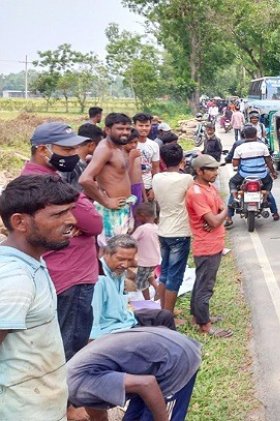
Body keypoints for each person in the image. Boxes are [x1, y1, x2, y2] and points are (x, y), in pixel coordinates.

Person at [20, 122, 103, 362]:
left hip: (60, 273)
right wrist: (79, 219)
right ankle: (67, 398)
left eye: (73, 150)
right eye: (65, 150)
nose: (72, 155)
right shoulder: (50, 185)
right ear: (42, 150)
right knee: (68, 348)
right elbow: (94, 224)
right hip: (70, 276)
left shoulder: (34, 179)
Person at [0, 175, 79, 420]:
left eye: (70, 211)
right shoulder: (16, 278)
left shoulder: (32, 261)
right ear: (20, 222)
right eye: (58, 215)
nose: (72, 221)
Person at [67, 327, 201, 421]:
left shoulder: (78, 386)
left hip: (175, 360)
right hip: (150, 361)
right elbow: (97, 414)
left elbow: (147, 385)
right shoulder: (69, 382)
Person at [91, 235, 175, 340]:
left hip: (125, 319)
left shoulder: (118, 271)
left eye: (129, 260)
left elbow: (135, 265)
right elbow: (92, 324)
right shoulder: (98, 280)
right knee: (152, 338)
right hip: (111, 330)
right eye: (121, 259)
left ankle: (173, 346)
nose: (125, 265)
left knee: (165, 316)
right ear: (106, 253)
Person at [185, 155, 232, 337]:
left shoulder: (209, 188)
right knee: (206, 286)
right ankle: (205, 325)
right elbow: (215, 219)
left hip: (215, 243)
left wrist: (219, 215)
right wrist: (219, 215)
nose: (216, 172)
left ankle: (198, 317)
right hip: (206, 246)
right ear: (199, 171)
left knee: (201, 283)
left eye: (216, 169)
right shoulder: (196, 193)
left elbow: (221, 212)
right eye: (211, 169)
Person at [80, 113, 136, 244]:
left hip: (123, 206)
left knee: (121, 250)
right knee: (112, 251)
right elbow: (84, 179)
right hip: (111, 210)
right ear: (107, 130)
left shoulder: (119, 147)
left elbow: (119, 174)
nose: (125, 132)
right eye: (120, 129)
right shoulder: (105, 149)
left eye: (128, 129)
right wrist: (106, 202)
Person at [151, 143, 192, 314]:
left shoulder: (157, 178)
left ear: (162, 160)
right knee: (175, 277)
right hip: (180, 231)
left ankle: (163, 311)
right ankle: (168, 318)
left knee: (165, 273)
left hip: (163, 229)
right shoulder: (186, 179)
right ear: (182, 160)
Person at [229, 126, 279, 223]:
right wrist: (273, 172)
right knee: (268, 183)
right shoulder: (262, 146)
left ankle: (235, 199)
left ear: (243, 135)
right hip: (261, 175)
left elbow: (235, 164)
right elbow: (268, 161)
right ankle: (265, 199)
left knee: (232, 182)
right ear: (256, 134)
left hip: (244, 175)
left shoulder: (239, 148)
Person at [131, 203, 160, 301]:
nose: (137, 219)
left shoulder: (142, 229)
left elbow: (131, 241)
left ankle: (147, 300)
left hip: (144, 262)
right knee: (149, 276)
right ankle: (157, 288)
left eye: (137, 216)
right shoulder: (156, 227)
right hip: (155, 260)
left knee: (142, 283)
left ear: (143, 215)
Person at [61, 123, 103, 190]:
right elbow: (76, 193)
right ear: (91, 145)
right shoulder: (76, 166)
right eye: (99, 145)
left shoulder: (69, 160)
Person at [133, 112, 160, 201]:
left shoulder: (154, 145)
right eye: (140, 125)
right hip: (132, 186)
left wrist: (154, 189)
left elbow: (156, 168)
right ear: (134, 126)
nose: (144, 128)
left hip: (148, 187)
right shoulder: (128, 145)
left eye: (147, 125)